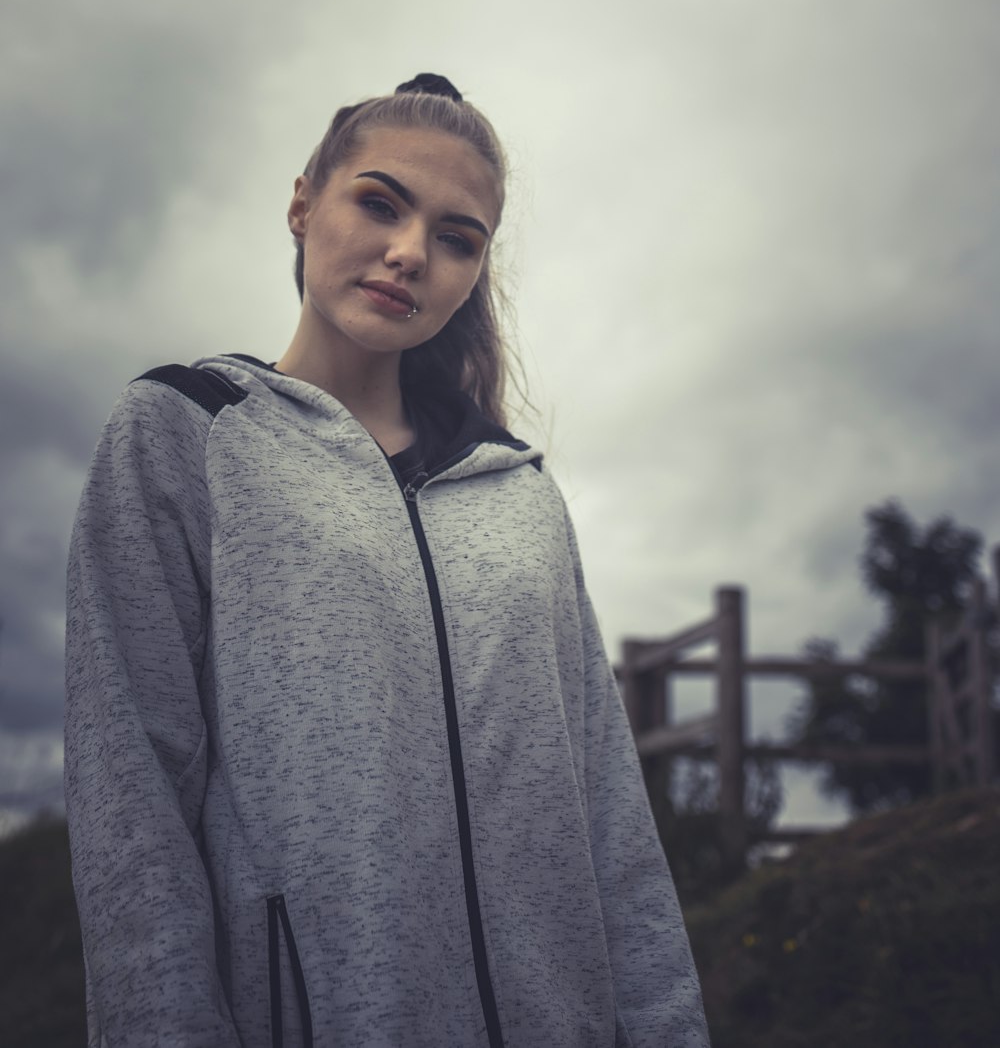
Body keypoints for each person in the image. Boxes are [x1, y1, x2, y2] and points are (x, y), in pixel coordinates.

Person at [64, 73, 711, 1047]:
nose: (411, 253)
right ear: (302, 202)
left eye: (458, 238)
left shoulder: (522, 492)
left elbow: (611, 820)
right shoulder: (182, 434)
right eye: (379, 202)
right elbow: (131, 811)